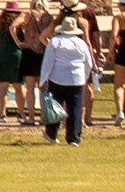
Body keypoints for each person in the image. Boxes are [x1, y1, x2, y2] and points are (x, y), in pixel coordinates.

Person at [39, 15, 96, 146]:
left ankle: (51, 133)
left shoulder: (54, 42)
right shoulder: (81, 43)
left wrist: (43, 79)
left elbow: (48, 62)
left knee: (54, 106)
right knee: (75, 108)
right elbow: (88, 63)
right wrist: (84, 76)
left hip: (57, 78)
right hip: (76, 79)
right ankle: (74, 137)